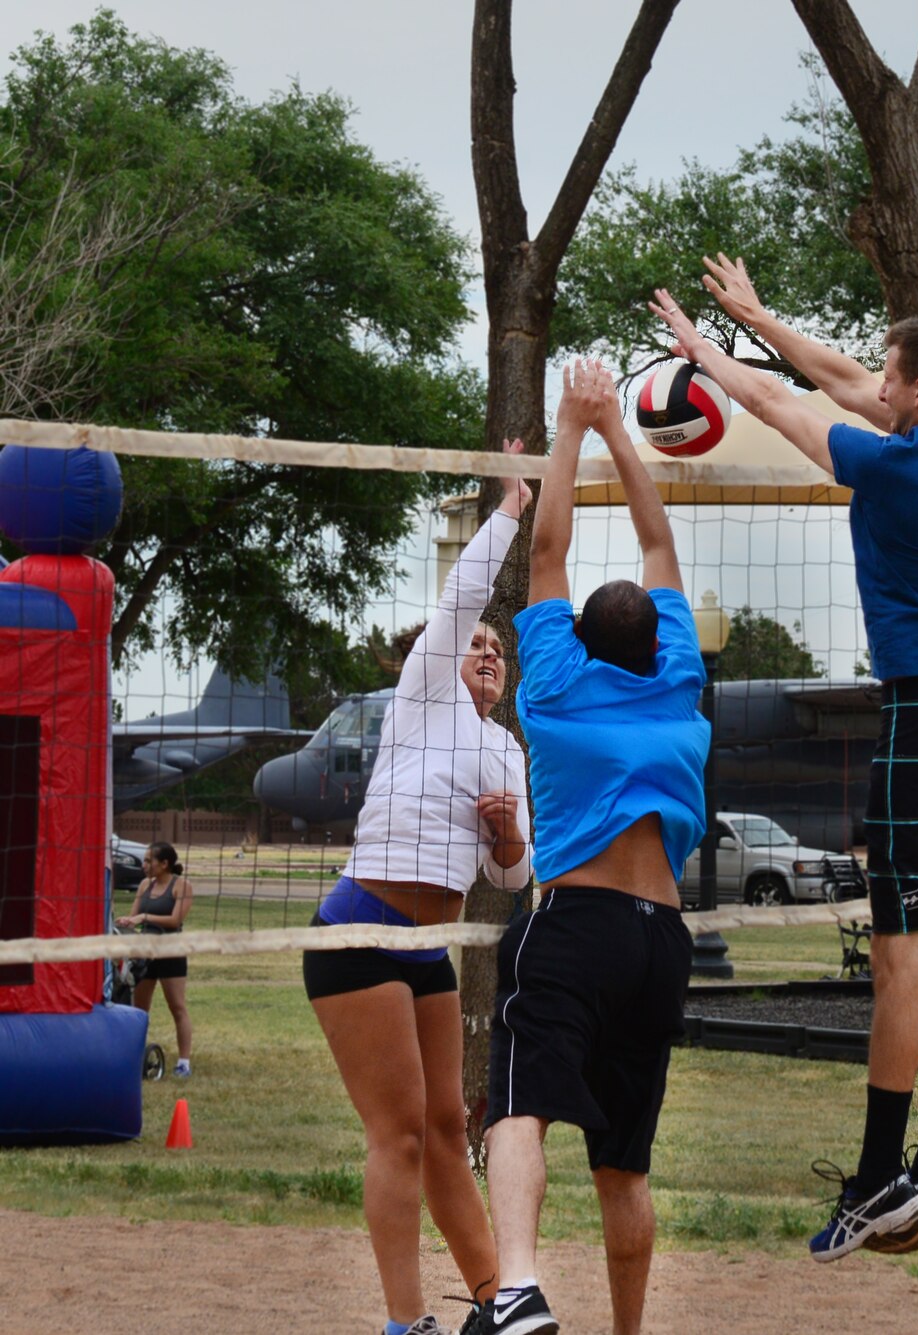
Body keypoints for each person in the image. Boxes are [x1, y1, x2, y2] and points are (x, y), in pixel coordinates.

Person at [652, 256, 918, 1262]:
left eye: (890, 375)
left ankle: (874, 1183)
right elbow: (838, 378)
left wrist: (703, 355)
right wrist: (758, 317)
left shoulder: (892, 466)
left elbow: (781, 405)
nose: (877, 383)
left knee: (902, 956)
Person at [476, 360, 707, 1335]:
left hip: (578, 926)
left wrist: (572, 425)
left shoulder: (557, 687)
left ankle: (519, 1287)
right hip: (663, 944)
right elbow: (659, 542)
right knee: (623, 1166)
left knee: (516, 1108)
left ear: (577, 637)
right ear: (660, 640)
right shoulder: (679, 685)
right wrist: (620, 429)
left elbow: (548, 550)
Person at [302, 438, 535, 1335]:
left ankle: (495, 1303)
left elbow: (513, 875)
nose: (487, 650)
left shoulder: (506, 749)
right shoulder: (425, 693)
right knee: (398, 1133)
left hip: (426, 950)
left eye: (497, 648)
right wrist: (510, 506)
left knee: (447, 1132)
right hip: (359, 932)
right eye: (475, 642)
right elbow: (464, 594)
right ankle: (406, 1323)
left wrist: (507, 836)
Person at [115, 842, 193, 1077]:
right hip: (145, 954)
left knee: (177, 1006)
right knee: (139, 1010)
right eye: (145, 860)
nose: (144, 865)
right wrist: (127, 922)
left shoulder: (181, 886)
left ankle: (184, 1063)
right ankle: (136, 1056)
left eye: (149, 861)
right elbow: (134, 918)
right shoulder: (144, 885)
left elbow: (175, 920)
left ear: (164, 864)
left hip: (171, 952)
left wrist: (143, 917)